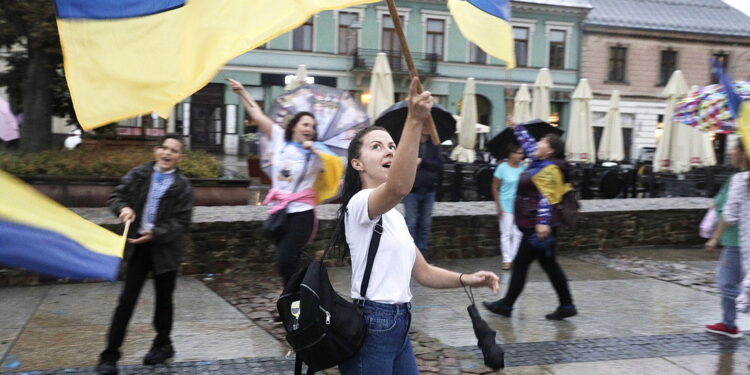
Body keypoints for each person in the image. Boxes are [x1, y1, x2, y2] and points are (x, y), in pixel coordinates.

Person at [333, 77, 499, 375]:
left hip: (400, 322)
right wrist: (413, 120)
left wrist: (467, 278)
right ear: (357, 164)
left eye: (392, 146)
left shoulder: (394, 215)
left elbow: (423, 272)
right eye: (376, 146)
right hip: (374, 323)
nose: (388, 151)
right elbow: (398, 187)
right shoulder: (358, 205)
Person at [96, 134, 194, 375]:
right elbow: (116, 196)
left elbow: (182, 221)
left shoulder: (183, 186)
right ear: (156, 150)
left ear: (180, 157)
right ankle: (109, 355)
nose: (167, 153)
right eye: (164, 148)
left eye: (174, 150)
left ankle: (162, 344)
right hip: (138, 248)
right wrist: (123, 208)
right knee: (126, 301)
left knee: (163, 301)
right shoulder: (138, 174)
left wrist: (156, 233)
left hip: (165, 249)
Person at [227, 78, 340, 287]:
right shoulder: (279, 138)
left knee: (284, 261)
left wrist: (315, 149)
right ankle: (299, 302)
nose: (310, 129)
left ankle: (294, 302)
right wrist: (242, 92)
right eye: (305, 124)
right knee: (290, 261)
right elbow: (258, 115)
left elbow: (335, 167)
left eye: (313, 126)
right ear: (294, 126)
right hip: (280, 211)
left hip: (302, 214)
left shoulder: (318, 151)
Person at [483, 123, 577, 320]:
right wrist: (516, 127)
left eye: (542, 141)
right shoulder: (538, 161)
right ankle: (566, 304)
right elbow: (527, 145)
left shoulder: (550, 168)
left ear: (550, 149)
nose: (537, 143)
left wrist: (542, 222)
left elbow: (547, 197)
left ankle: (507, 305)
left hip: (539, 226)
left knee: (521, 264)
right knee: (550, 266)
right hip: (536, 224)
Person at [706, 140, 749, 338]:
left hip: (738, 241)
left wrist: (714, 238)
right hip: (738, 241)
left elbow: (730, 215)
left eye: (734, 148)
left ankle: (731, 321)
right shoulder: (736, 179)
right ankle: (729, 323)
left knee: (726, 284)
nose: (730, 152)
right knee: (730, 282)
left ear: (744, 153)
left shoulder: (741, 180)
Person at [402, 133, 443, 259]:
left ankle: (422, 256)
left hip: (429, 190)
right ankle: (409, 256)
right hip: (411, 190)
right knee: (411, 223)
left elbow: (439, 165)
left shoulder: (434, 145)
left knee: (425, 224)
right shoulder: (409, 144)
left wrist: (423, 162)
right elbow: (402, 163)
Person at [492, 144, 526, 270]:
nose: (520, 155)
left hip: (519, 205)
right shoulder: (502, 167)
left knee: (518, 234)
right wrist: (498, 206)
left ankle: (513, 258)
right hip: (505, 204)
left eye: (521, 153)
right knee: (506, 233)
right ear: (511, 154)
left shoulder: (523, 168)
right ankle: (507, 260)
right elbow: (495, 187)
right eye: (518, 153)